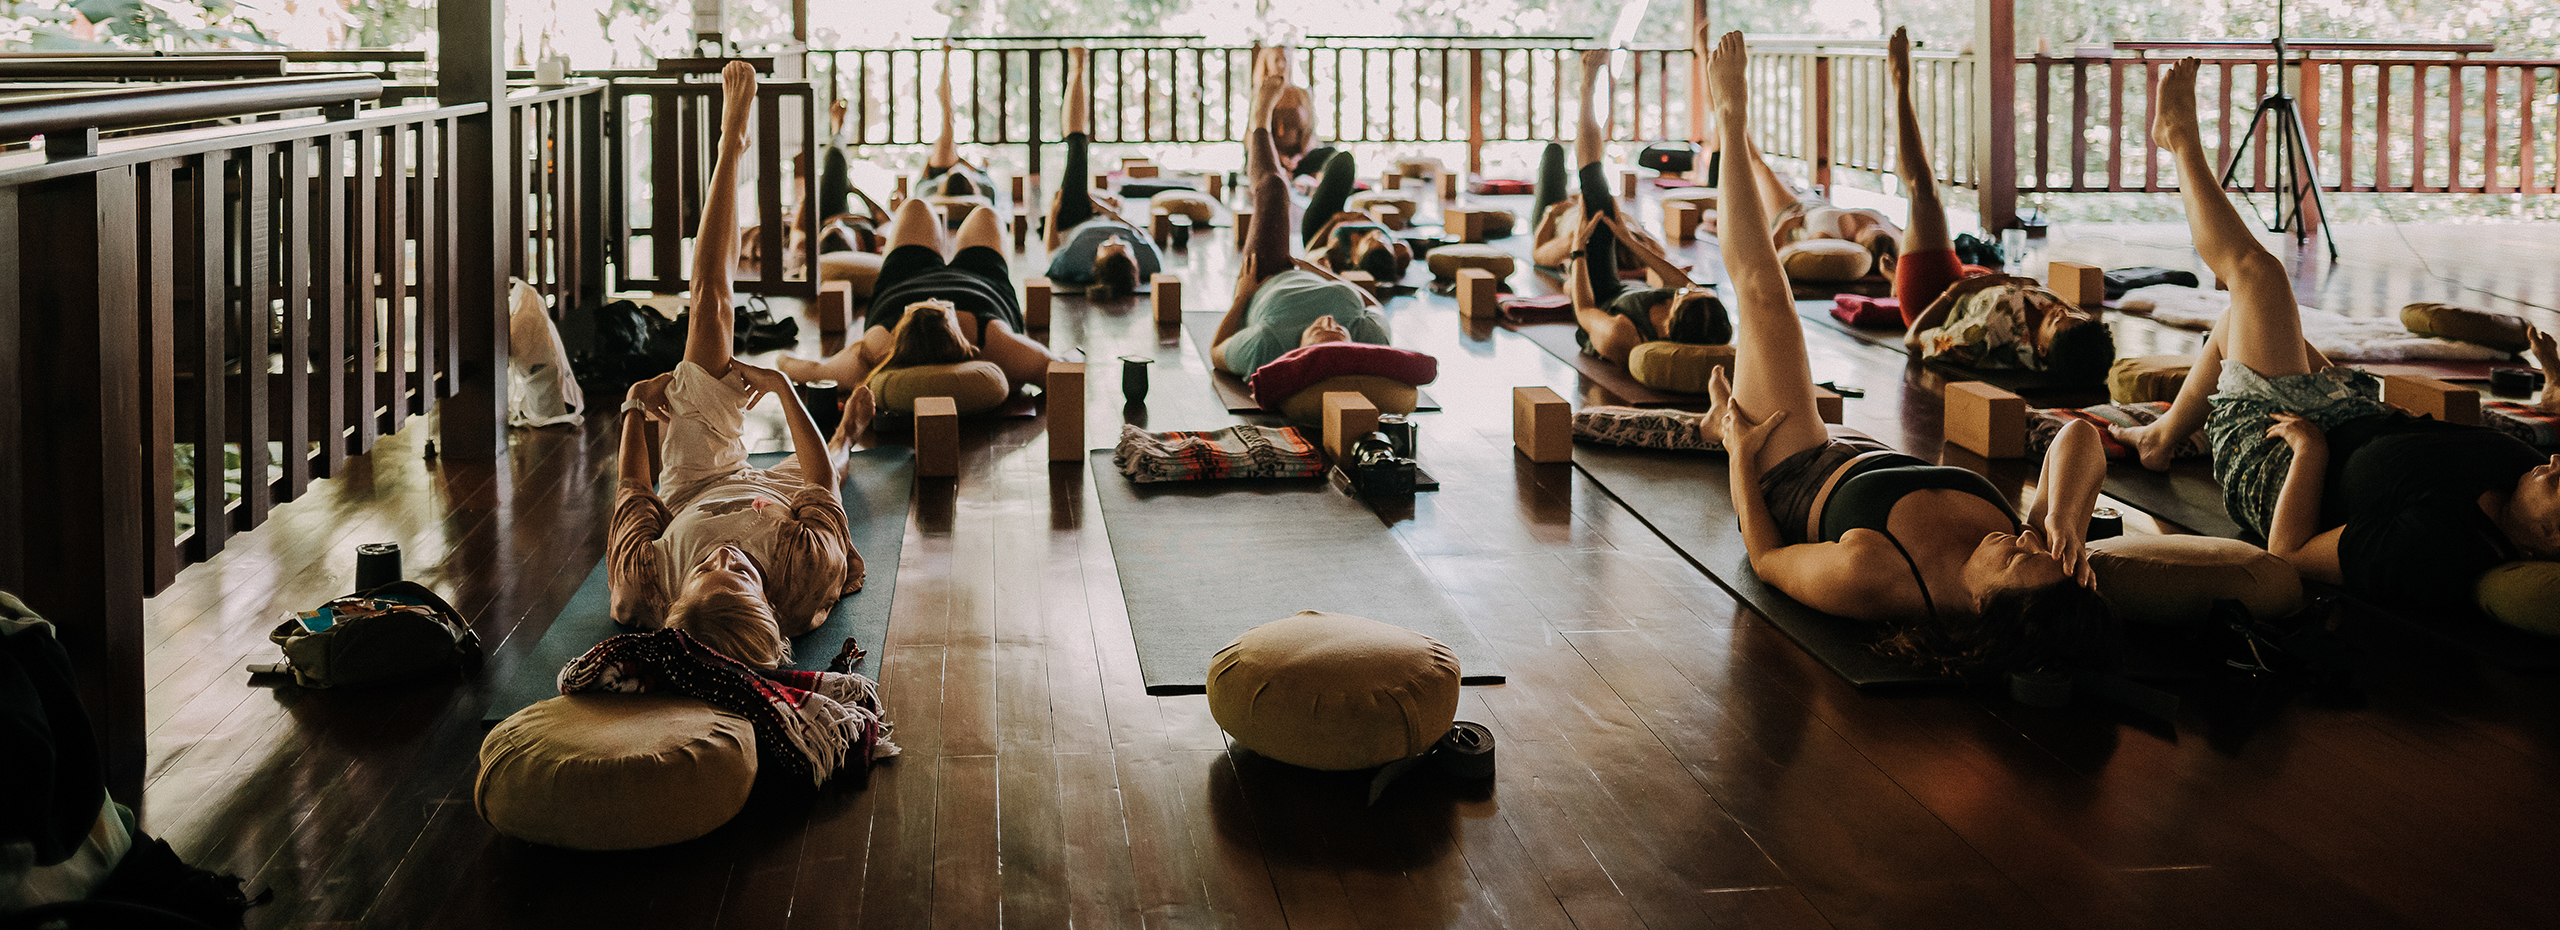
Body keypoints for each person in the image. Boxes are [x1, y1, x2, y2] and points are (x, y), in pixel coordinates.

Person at [1700, 31, 2111, 673]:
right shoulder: (2035, 550)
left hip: (1792, 463)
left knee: (1765, 299)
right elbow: (2077, 439)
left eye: (2014, 558)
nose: (2022, 540)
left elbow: (1767, 560)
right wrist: (2065, 520)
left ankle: (1729, 121)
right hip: (1856, 449)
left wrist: (1738, 455)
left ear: (1981, 608)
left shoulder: (1875, 578)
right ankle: (1725, 407)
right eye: (2038, 550)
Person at [2102, 59, 2560, 611]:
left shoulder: (2439, 549)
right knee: (2243, 319)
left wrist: (2311, 452)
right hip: (2341, 413)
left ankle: (2178, 141)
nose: (2554, 467)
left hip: (2278, 463)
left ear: (2548, 544)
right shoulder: (2521, 477)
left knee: (2258, 277)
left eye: (2559, 485)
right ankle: (2159, 438)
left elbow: (2289, 554)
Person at [609, 62, 874, 670]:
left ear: (680, 598)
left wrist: (632, 403)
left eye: (707, 570)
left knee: (710, 301)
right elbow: (821, 492)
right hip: (774, 504)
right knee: (827, 465)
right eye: (737, 574)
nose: (723, 558)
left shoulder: (641, 589)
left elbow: (633, 491)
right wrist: (781, 386)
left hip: (694, 482)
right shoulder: (801, 575)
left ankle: (733, 142)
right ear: (764, 600)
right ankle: (847, 433)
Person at [1211, 47, 1393, 379]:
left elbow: (1216, 352)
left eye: (1323, 334)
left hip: (1267, 275)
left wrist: (1242, 297)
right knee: (1342, 162)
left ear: (1300, 351)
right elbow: (1374, 306)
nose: (1329, 323)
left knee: (1274, 190)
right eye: (1341, 333)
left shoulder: (1267, 344)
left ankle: (1258, 122)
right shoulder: (1371, 336)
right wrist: (1313, 267)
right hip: (1308, 264)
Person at [777, 193, 1064, 392]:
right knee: (986, 214)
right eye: (939, 306)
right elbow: (1059, 371)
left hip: (904, 279)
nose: (934, 298)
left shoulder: (876, 349)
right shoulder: (997, 343)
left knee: (915, 207)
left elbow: (809, 370)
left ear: (899, 332)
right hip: (982, 281)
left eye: (923, 306)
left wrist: (777, 361)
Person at [1565, 45, 1729, 366]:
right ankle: (1590, 82)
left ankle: (1588, 83)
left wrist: (1577, 251)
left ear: (1668, 326)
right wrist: (1627, 240)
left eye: (1681, 297)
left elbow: (1584, 311)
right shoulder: (1702, 318)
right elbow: (1683, 284)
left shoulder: (1621, 335)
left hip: (1600, 297)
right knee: (1613, 216)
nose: (1683, 290)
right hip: (1629, 289)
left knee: (1595, 190)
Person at [1044, 47, 1162, 301]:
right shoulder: (1151, 263)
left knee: (1078, 148)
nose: (1112, 237)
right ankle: (1079, 69)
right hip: (1106, 212)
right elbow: (1140, 233)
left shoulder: (1073, 264)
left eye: (1106, 246)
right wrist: (1111, 213)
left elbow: (1051, 250)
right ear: (1134, 263)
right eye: (1122, 245)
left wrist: (1054, 213)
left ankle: (1077, 67)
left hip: (1072, 220)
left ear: (1094, 264)